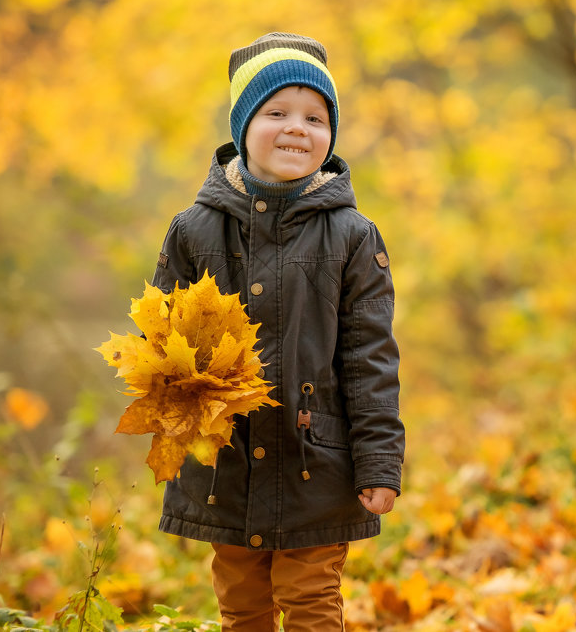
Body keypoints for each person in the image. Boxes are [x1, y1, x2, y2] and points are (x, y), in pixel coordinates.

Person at [150, 32, 405, 631]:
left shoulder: (352, 236)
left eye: (316, 117)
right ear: (242, 127)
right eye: (277, 112)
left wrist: (379, 464)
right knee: (241, 604)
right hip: (228, 464)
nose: (298, 127)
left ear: (331, 136)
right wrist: (178, 427)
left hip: (317, 459)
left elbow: (370, 360)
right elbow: (162, 348)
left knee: (311, 599)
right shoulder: (194, 231)